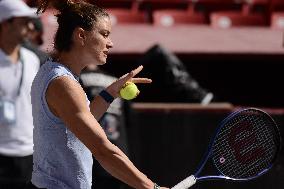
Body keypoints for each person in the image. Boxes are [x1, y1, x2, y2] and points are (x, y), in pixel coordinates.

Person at [28, 0, 168, 189]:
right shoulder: (63, 83)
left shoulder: (53, 73)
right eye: (104, 34)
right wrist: (152, 187)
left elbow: (80, 126)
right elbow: (103, 150)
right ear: (81, 35)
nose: (110, 43)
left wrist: (110, 93)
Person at [0, 0, 40, 188]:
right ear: (5, 23)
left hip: (30, 154)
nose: (30, 27)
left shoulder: (32, 59)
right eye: (23, 21)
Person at [80, 65, 130, 189]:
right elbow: (129, 118)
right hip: (117, 151)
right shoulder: (116, 80)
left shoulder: (75, 80)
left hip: (92, 154)